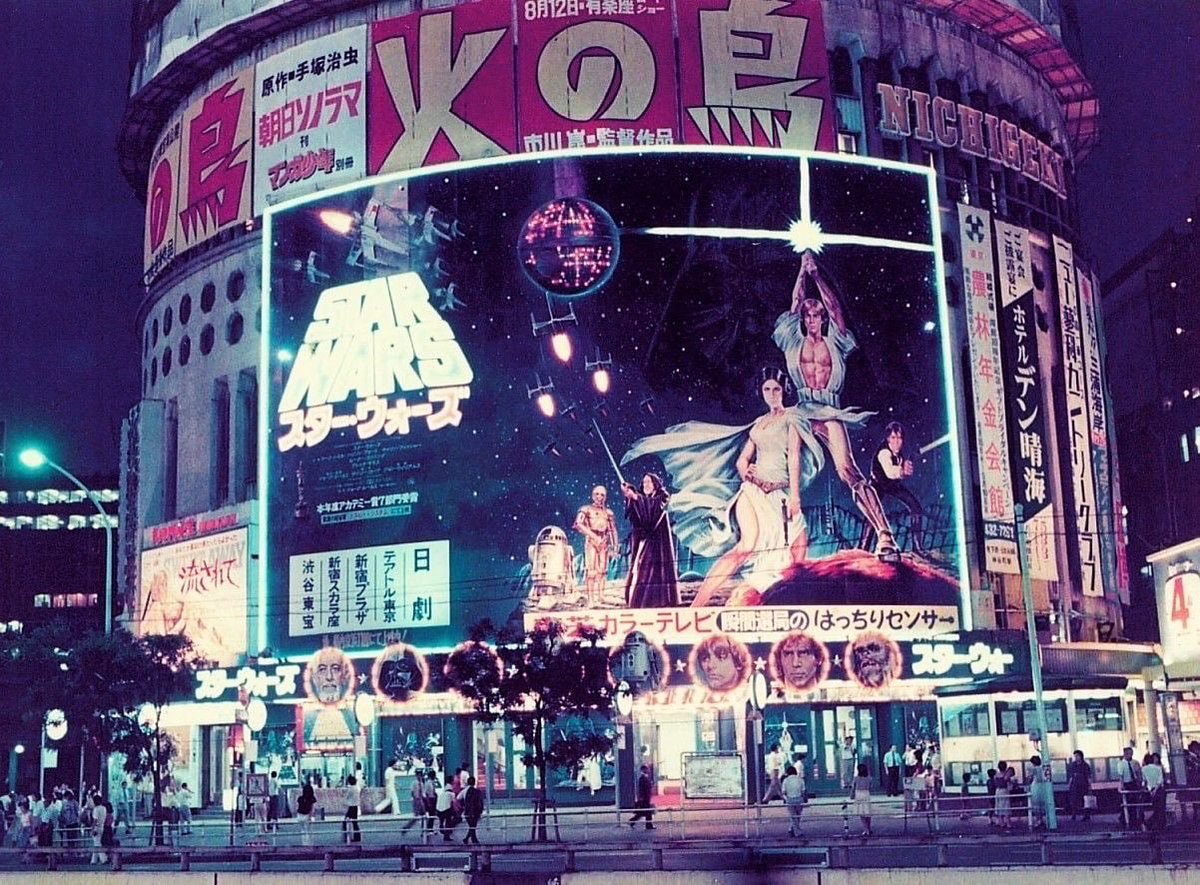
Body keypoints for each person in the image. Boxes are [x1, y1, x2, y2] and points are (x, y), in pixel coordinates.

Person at [773, 250, 897, 556]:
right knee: (781, 471)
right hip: (801, 410)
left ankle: (884, 535)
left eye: (817, 316)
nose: (813, 320)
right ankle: (777, 544)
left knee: (848, 471)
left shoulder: (836, 341)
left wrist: (816, 274)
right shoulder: (792, 339)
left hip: (829, 409)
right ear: (803, 319)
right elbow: (794, 301)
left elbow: (835, 307)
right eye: (808, 316)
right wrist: (802, 272)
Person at [689, 368, 812, 606]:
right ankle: (697, 605)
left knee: (798, 548)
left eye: (776, 389)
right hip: (752, 492)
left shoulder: (791, 419)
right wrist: (745, 470)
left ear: (783, 390)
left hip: (780, 495)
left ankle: (784, 603)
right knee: (746, 546)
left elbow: (794, 457)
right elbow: (742, 459)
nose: (772, 394)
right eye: (767, 389)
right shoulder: (759, 423)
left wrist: (795, 495)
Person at [860, 421, 925, 552]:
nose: (896, 442)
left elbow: (899, 471)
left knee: (915, 507)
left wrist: (909, 463)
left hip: (891, 485)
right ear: (888, 439)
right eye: (893, 438)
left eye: (899, 438)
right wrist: (902, 470)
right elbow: (890, 472)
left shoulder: (899, 453)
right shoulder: (884, 452)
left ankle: (917, 547)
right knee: (872, 515)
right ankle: (863, 549)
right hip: (877, 484)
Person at [620, 473, 679, 608]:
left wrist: (635, 497)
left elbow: (653, 510)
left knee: (648, 571)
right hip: (643, 542)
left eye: (649, 482)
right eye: (644, 482)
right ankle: (639, 601)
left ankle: (650, 602)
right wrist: (631, 498)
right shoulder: (645, 499)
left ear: (655, 484)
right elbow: (637, 519)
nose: (646, 485)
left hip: (656, 546)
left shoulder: (662, 497)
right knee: (639, 570)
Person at [574, 485, 619, 606]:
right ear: (593, 495)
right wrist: (593, 536)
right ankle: (591, 600)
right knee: (591, 571)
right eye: (597, 494)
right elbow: (578, 524)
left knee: (602, 571)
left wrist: (615, 546)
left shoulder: (608, 513)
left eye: (602, 495)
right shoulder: (586, 509)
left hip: (604, 541)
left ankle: (600, 596)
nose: (599, 497)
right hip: (592, 541)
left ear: (605, 497)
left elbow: (612, 530)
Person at [1119, 746, 1144, 830]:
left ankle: (1136, 819)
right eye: (1128, 753)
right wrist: (1122, 785)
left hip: (1135, 783)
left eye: (1131, 753)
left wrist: (1140, 783)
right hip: (1127, 783)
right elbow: (1121, 776)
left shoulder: (1135, 762)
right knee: (1128, 802)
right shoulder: (1121, 764)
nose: (1130, 755)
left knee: (1135, 802)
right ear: (1125, 754)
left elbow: (1139, 773)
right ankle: (1126, 819)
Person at [781, 763, 807, 837]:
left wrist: (785, 798)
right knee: (798, 816)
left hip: (790, 799)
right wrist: (804, 799)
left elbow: (783, 792)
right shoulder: (800, 779)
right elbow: (803, 791)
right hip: (799, 799)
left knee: (793, 816)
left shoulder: (786, 780)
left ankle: (793, 830)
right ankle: (796, 832)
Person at [1067, 750, 1092, 821]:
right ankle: (1074, 814)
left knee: (1085, 800)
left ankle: (1086, 815)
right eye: (1075, 756)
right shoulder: (1073, 765)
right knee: (1074, 800)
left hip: (1084, 785)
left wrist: (1090, 786)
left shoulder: (1085, 765)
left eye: (1077, 756)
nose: (1076, 757)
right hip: (1075, 785)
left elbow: (1088, 776)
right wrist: (1069, 784)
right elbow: (1071, 776)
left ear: (1081, 756)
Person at [458, 775, 484, 845]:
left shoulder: (464, 790)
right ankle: (469, 839)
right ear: (474, 782)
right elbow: (480, 802)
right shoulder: (478, 792)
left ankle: (472, 839)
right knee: (473, 826)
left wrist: (462, 806)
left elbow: (458, 798)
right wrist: (481, 810)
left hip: (467, 811)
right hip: (475, 812)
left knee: (472, 826)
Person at [1144, 752, 1166, 831]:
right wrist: (1156, 789)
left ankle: (1150, 824)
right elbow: (1160, 781)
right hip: (1160, 790)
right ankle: (1152, 824)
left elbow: (1144, 781)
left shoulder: (1144, 769)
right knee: (1161, 808)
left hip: (1151, 790)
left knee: (1156, 808)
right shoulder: (1158, 768)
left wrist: (1150, 790)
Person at [629, 765, 655, 830]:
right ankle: (648, 825)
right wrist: (641, 797)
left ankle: (633, 821)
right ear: (643, 770)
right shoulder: (642, 778)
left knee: (643, 812)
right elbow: (641, 789)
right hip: (644, 798)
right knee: (646, 812)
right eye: (647, 769)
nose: (648, 770)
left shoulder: (646, 777)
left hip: (646, 797)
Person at [850, 763, 873, 836]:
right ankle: (869, 828)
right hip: (866, 794)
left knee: (861, 813)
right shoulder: (869, 778)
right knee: (867, 812)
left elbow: (853, 787)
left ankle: (866, 830)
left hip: (858, 794)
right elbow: (870, 787)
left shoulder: (856, 778)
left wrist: (851, 795)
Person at [90, 792, 109, 865]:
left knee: (97, 844)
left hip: (96, 828)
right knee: (96, 843)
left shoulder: (96, 809)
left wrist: (92, 829)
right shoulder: (104, 808)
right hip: (102, 826)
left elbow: (95, 820)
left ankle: (104, 859)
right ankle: (93, 860)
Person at [296, 781, 316, 847]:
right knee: (309, 831)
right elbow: (312, 809)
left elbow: (298, 807)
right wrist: (311, 817)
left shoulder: (300, 798)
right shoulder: (312, 798)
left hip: (299, 815)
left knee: (303, 831)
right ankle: (309, 845)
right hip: (307, 815)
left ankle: (304, 844)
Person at [343, 774, 361, 843]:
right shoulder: (356, 788)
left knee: (345, 821)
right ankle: (357, 837)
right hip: (355, 806)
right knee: (354, 822)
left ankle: (346, 837)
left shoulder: (350, 789)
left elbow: (347, 797)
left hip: (351, 807)